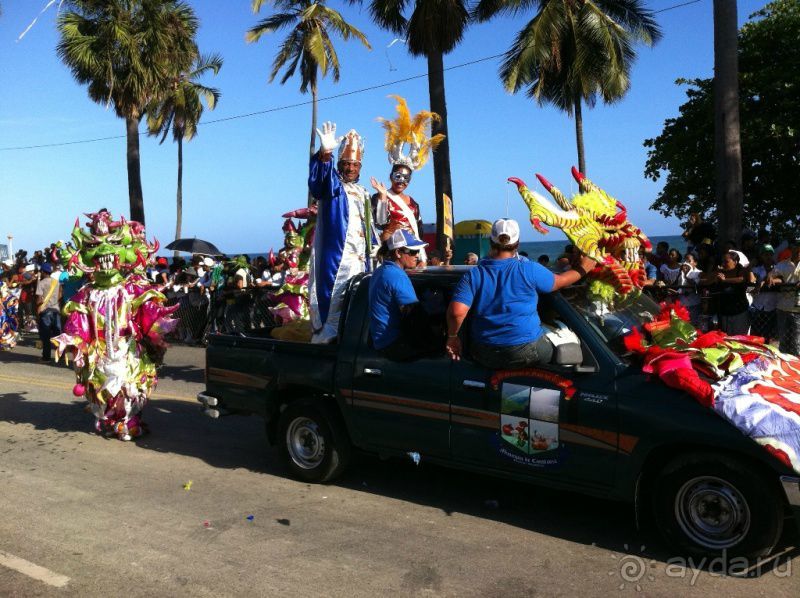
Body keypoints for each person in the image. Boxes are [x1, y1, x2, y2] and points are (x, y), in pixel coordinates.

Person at [445, 218, 596, 368]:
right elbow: (559, 281)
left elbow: (456, 312)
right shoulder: (528, 269)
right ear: (517, 243)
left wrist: (453, 337)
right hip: (525, 350)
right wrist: (584, 268)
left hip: (484, 352)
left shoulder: (474, 274)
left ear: (491, 241)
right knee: (567, 340)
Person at [308, 121, 374, 344]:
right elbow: (318, 183)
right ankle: (325, 343)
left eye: (355, 165)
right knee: (332, 301)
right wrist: (326, 154)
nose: (350, 168)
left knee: (357, 303)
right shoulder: (333, 186)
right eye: (346, 163)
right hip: (337, 259)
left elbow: (369, 225)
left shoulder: (364, 192)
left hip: (360, 259)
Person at [369, 230, 436, 361]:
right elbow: (415, 315)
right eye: (412, 251)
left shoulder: (380, 271)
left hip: (380, 342)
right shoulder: (397, 275)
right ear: (398, 253)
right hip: (393, 345)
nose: (417, 255)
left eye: (417, 251)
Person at [767, 238, 800, 355]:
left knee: (797, 343)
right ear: (791, 249)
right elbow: (772, 273)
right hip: (783, 307)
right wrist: (770, 276)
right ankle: (785, 367)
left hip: (798, 309)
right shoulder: (783, 264)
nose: (798, 250)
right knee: (783, 341)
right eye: (795, 247)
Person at [713, 251, 753, 336]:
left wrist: (725, 280)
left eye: (726, 261)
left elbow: (742, 279)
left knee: (740, 339)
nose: (723, 263)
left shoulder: (741, 270)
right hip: (724, 314)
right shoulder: (721, 272)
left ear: (735, 262)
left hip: (739, 313)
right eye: (722, 261)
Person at [35, 262, 61, 362]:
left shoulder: (41, 283)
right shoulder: (56, 282)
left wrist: (37, 305)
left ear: (43, 271)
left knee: (46, 336)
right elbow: (60, 295)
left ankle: (46, 357)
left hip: (45, 311)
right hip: (56, 310)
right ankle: (60, 355)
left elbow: (39, 299)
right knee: (57, 334)